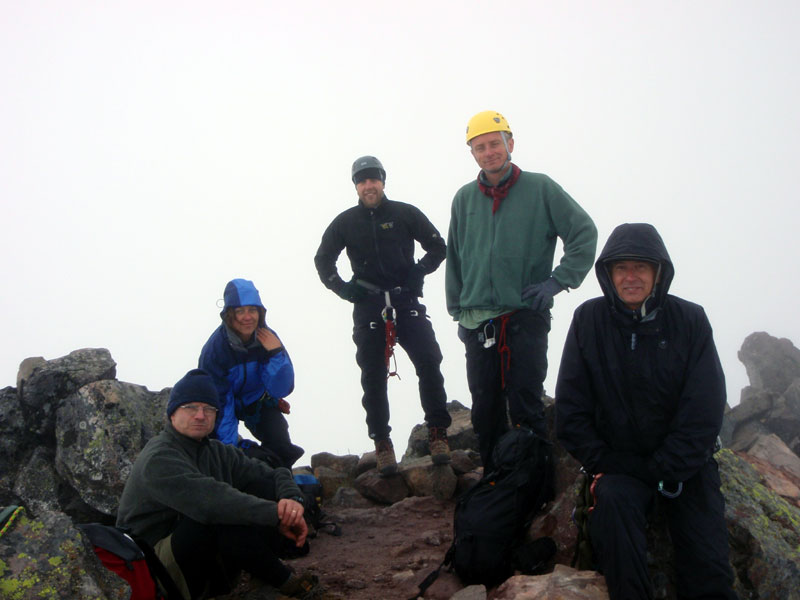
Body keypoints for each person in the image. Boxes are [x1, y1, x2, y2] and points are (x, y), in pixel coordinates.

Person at [555, 223, 737, 600]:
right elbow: (571, 409)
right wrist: (608, 461)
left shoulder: (690, 320)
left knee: (711, 571)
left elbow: (703, 407)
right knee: (615, 531)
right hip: (619, 468)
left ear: (659, 272)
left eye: (641, 267)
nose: (631, 277)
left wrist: (665, 466)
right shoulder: (588, 321)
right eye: (621, 268)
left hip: (689, 469)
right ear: (608, 274)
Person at [445, 110, 597, 471]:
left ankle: (535, 484)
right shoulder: (464, 199)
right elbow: (456, 255)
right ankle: (496, 485)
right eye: (480, 147)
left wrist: (558, 281)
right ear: (473, 154)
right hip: (477, 321)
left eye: (495, 143)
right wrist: (458, 310)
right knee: (485, 409)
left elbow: (583, 232)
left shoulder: (540, 188)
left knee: (526, 403)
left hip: (523, 316)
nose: (489, 151)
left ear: (510, 144)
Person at [116, 369, 327, 600]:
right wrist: (276, 515)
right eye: (190, 407)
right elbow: (212, 502)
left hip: (198, 557)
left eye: (208, 409)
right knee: (222, 515)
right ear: (172, 413)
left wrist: (292, 502)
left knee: (260, 490)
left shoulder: (216, 451)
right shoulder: (159, 458)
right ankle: (285, 582)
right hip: (152, 569)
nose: (200, 415)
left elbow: (273, 474)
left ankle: (261, 576)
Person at [314, 155, 452, 475]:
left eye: (373, 179)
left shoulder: (405, 213)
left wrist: (419, 272)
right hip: (368, 305)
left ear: (383, 181)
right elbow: (323, 260)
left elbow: (437, 247)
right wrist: (343, 289)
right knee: (373, 376)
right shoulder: (345, 222)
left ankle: (438, 434)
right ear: (356, 186)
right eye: (361, 181)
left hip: (405, 300)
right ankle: (382, 444)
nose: (368, 185)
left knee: (429, 361)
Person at [199, 278, 304, 469]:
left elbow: (282, 387)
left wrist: (275, 354)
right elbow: (221, 401)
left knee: (280, 443)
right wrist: (230, 453)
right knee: (225, 452)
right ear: (229, 315)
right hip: (223, 406)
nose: (247, 317)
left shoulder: (268, 339)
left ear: (260, 312)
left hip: (257, 401)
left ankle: (281, 483)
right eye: (240, 311)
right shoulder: (216, 350)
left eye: (252, 310)